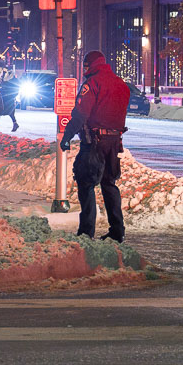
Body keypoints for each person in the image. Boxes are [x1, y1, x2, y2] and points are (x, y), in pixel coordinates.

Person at [59, 51, 130, 243]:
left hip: (94, 143)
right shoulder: (121, 84)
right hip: (114, 143)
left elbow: (81, 114)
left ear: (89, 65)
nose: (84, 69)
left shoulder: (92, 84)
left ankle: (86, 232)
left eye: (85, 65)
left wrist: (66, 136)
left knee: (86, 183)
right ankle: (117, 231)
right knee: (109, 184)